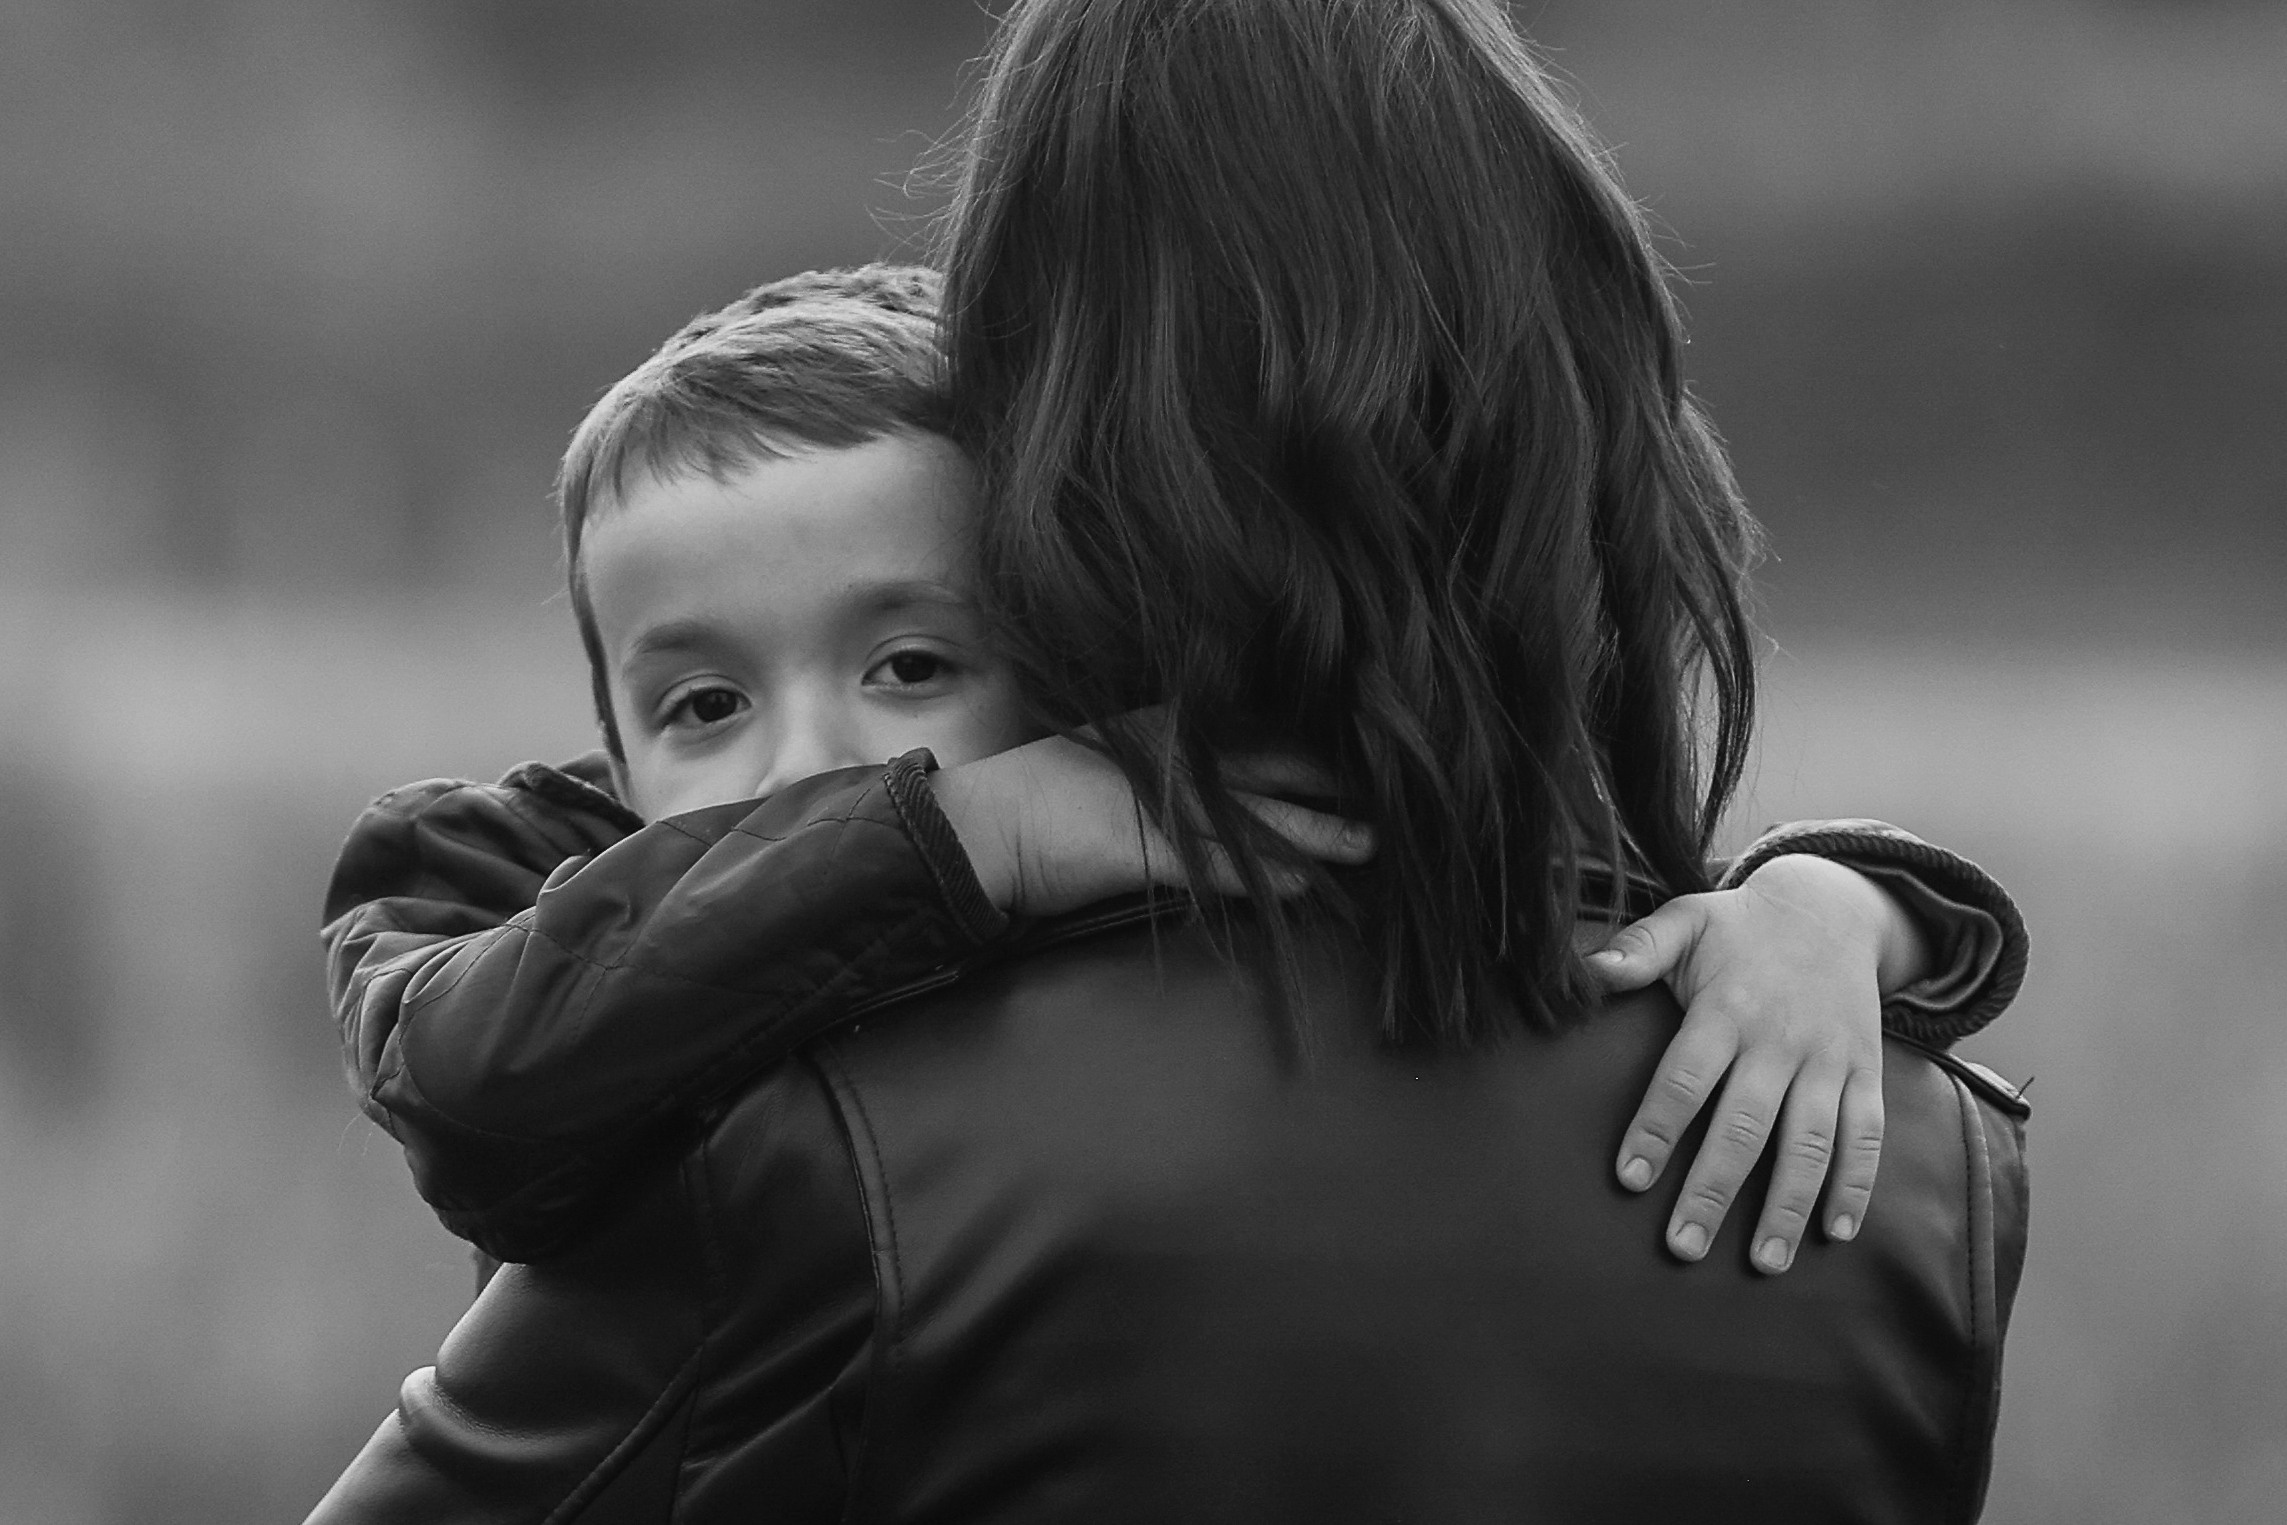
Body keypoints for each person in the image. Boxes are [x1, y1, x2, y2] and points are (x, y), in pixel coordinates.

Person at [309, 0, 2031, 1511]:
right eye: (701, 704)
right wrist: (1851, 916)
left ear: (1062, 475)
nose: (814, 765)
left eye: (910, 661)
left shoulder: (811, 1151)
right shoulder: (1908, 1175)